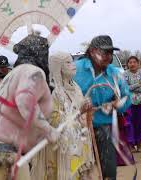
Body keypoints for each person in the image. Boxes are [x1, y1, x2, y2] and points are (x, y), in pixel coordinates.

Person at [0, 34, 60, 180]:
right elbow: (25, 101)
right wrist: (48, 129)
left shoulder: (12, 74)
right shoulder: (34, 72)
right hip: (2, 152)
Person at [74, 35, 131, 180]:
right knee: (81, 170)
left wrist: (116, 105)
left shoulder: (115, 74)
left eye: (110, 53)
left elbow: (126, 97)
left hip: (103, 128)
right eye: (105, 52)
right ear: (93, 51)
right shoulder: (75, 70)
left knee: (109, 171)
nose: (108, 56)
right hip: (77, 129)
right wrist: (79, 104)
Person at [32, 52, 95, 180]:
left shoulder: (76, 87)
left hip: (77, 142)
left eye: (72, 61)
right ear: (57, 67)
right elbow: (55, 122)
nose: (73, 65)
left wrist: (86, 109)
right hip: (61, 148)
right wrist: (79, 112)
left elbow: (79, 111)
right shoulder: (53, 91)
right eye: (68, 62)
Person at [123, 56, 141, 152]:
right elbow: (125, 89)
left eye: (134, 62)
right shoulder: (124, 74)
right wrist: (138, 85)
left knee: (140, 124)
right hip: (129, 104)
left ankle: (139, 144)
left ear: (138, 63)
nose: (132, 64)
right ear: (127, 64)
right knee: (130, 124)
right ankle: (132, 145)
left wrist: (132, 87)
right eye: (130, 62)